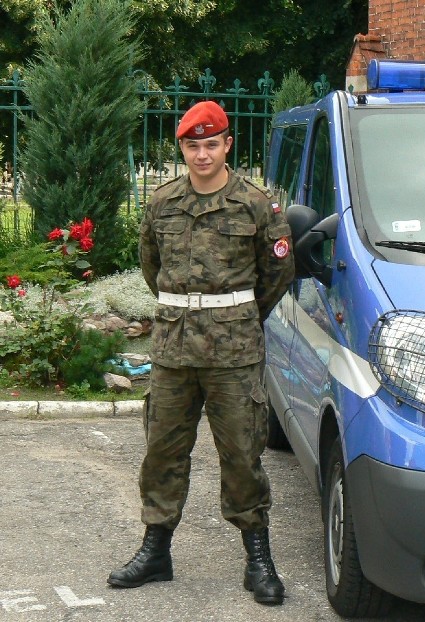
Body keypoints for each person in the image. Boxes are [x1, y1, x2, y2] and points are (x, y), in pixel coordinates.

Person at [107, 100, 295, 606]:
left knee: (242, 453)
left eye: (212, 144)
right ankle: (156, 551)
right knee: (163, 451)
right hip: (173, 349)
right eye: (193, 145)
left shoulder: (256, 204)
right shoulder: (162, 202)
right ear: (183, 148)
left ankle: (258, 560)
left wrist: (231, 315)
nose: (202, 154)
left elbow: (277, 275)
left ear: (227, 144)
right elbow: (152, 268)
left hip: (234, 352)